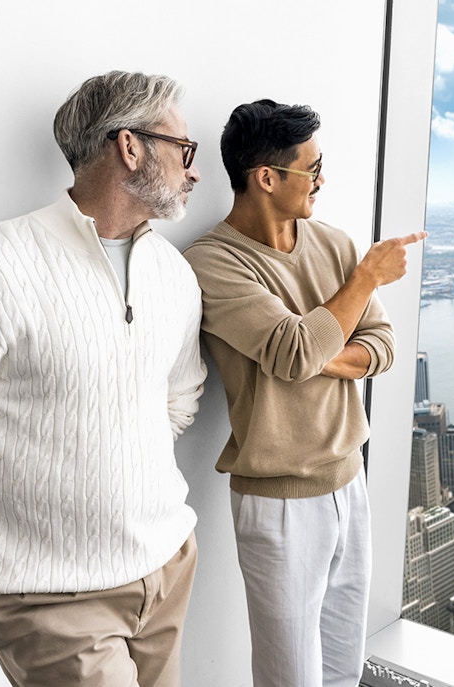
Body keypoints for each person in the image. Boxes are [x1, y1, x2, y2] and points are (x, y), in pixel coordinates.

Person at [0, 71, 207, 687]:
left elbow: (177, 397)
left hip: (166, 568)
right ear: (130, 146)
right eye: (183, 149)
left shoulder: (174, 273)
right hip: (51, 599)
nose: (193, 169)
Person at [182, 99, 425, 687]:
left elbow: (383, 345)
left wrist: (317, 348)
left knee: (343, 666)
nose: (323, 178)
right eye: (311, 167)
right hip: (279, 501)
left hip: (350, 481)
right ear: (267, 178)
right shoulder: (213, 264)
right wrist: (362, 283)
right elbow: (293, 353)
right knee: (290, 675)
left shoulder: (335, 244)